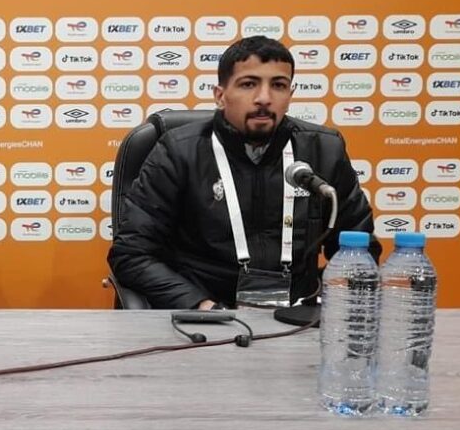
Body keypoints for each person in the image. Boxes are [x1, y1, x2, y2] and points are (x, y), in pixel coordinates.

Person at [108, 35, 380, 310]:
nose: (264, 98)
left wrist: (328, 302)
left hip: (297, 314)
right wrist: (200, 306)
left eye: (278, 85)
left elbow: (359, 249)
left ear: (290, 95)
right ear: (220, 95)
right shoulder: (178, 151)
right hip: (206, 314)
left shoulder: (324, 150)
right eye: (248, 84)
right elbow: (132, 254)